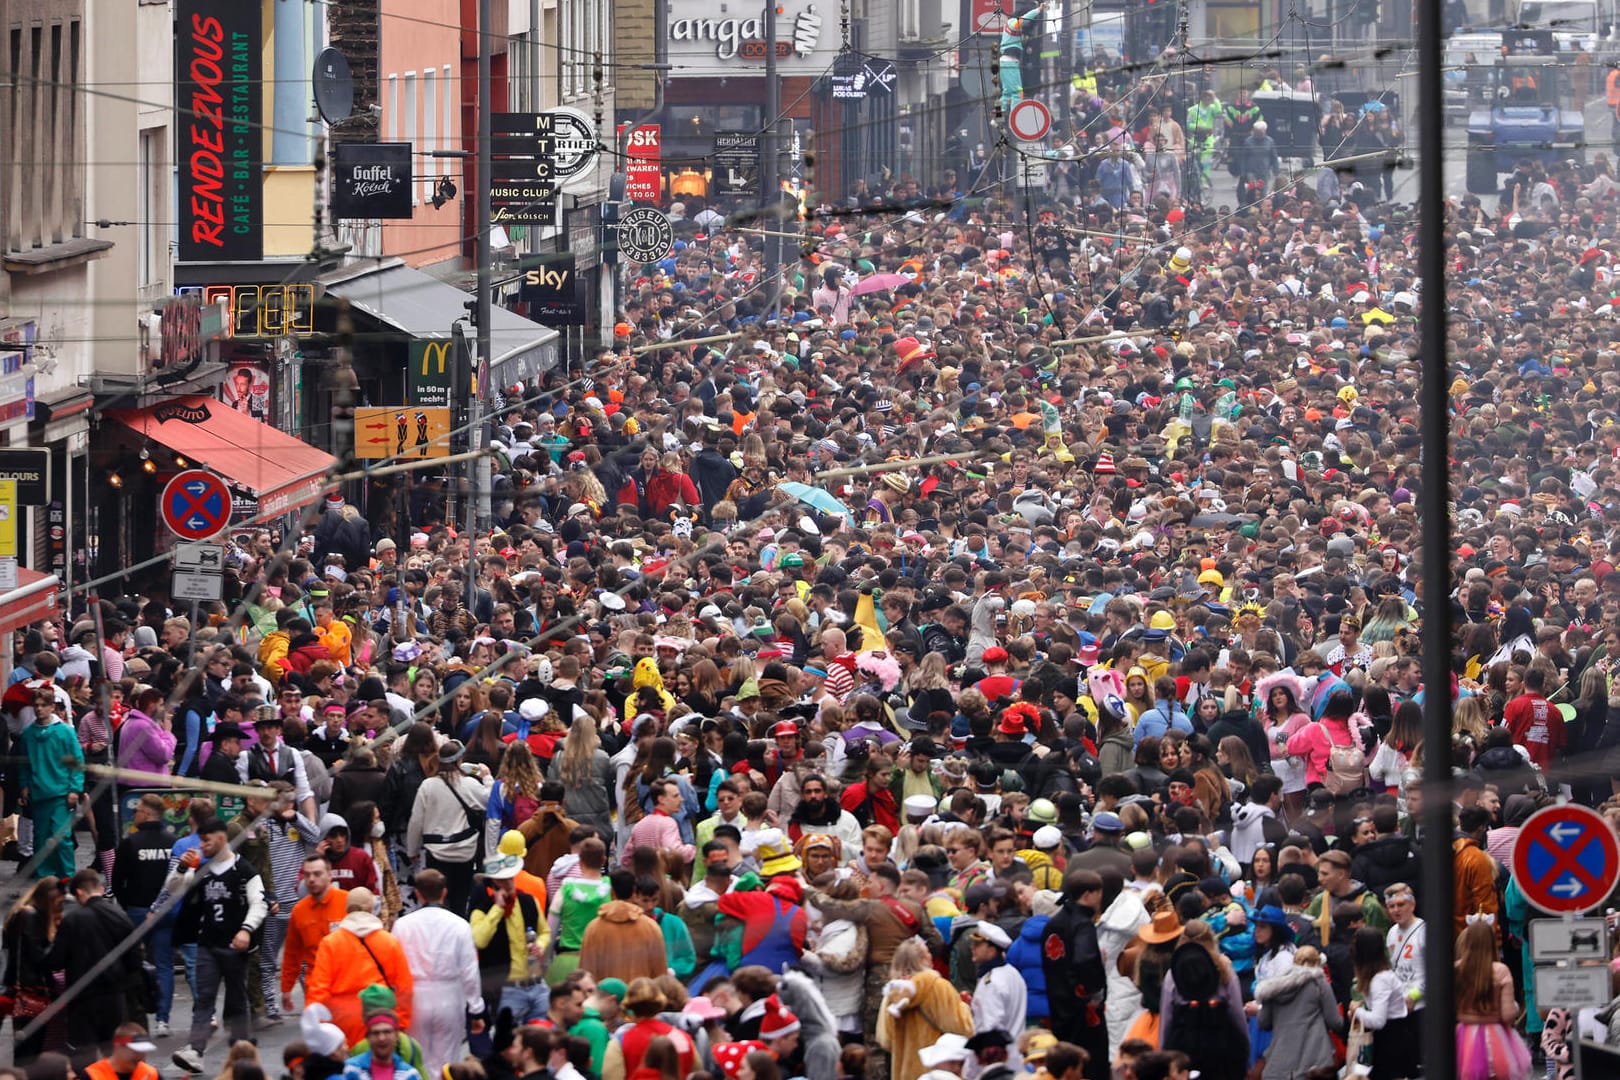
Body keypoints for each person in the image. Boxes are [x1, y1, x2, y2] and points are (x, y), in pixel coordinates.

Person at [167, 817, 268, 1073]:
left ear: (221, 838)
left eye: (206, 840)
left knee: (237, 1000)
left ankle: (242, 1051)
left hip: (235, 947)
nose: (202, 845)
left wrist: (246, 930)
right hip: (207, 945)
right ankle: (195, 1050)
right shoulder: (201, 870)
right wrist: (181, 868)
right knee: (204, 998)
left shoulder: (244, 871)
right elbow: (174, 889)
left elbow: (260, 902)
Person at [390, 868, 485, 1074]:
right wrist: (476, 1009)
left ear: (417, 893)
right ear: (444, 892)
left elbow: (394, 968)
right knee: (447, 1061)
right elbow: (469, 970)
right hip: (450, 996)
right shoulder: (460, 925)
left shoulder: (402, 925)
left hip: (415, 997)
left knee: (416, 1057)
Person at [305, 887, 416, 1047]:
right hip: (380, 1017)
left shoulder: (331, 943)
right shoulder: (388, 941)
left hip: (342, 1019)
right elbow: (404, 987)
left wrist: (320, 1025)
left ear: (347, 909)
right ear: (372, 908)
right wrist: (401, 1022)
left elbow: (318, 989)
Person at [51, 868, 141, 1065]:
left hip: (82, 998)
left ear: (80, 893)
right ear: (100, 889)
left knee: (84, 1057)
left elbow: (56, 960)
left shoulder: (73, 920)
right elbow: (135, 960)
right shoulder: (120, 916)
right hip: (114, 996)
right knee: (114, 1054)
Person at [471, 851, 552, 1023]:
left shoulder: (528, 901)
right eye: (502, 880)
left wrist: (540, 945)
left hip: (536, 984)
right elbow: (479, 940)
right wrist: (498, 909)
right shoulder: (482, 910)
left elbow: (544, 932)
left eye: (510, 878)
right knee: (507, 1042)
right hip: (506, 990)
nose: (509, 884)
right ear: (493, 883)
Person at [19, 684, 84, 879]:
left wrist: (75, 789)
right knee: (40, 839)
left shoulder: (64, 732)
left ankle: (66, 877)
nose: (39, 709)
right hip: (39, 792)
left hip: (61, 793)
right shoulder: (29, 733)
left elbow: (76, 762)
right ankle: (44, 879)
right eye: (36, 705)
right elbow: (24, 763)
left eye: (43, 705)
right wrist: (24, 785)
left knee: (61, 838)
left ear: (52, 707)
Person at [1455, 920, 1530, 1080]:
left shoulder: (1456, 969)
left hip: (1464, 1037)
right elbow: (1508, 1015)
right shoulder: (1500, 971)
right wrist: (1516, 1007)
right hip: (1496, 1036)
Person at [341, 1010, 423, 1080]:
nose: (381, 1038)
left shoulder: (410, 1075)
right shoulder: (349, 1070)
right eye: (375, 1033)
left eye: (387, 1032)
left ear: (397, 1036)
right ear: (368, 1037)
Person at [83, 1023, 160, 1080]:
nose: (140, 1056)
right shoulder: (92, 1076)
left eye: (143, 1050)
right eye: (135, 1051)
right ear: (118, 1046)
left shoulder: (151, 1074)